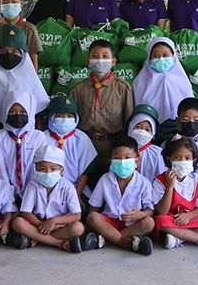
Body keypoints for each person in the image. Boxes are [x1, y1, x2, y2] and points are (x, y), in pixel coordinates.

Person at [70, 39, 134, 176]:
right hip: (85, 145)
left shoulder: (123, 88)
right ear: (88, 62)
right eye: (95, 56)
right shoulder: (79, 89)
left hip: (113, 146)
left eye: (105, 57)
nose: (100, 60)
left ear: (113, 62)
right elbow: (72, 120)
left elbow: (129, 121)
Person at [153, 137, 198, 251]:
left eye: (187, 158)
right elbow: (161, 212)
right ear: (169, 160)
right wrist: (169, 187)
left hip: (191, 220)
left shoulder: (197, 180)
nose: (182, 161)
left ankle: (180, 237)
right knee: (161, 221)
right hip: (172, 220)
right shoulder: (160, 180)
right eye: (177, 158)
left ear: (194, 160)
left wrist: (189, 216)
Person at [0, 24, 49, 135]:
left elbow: (39, 119)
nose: (9, 55)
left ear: (23, 55)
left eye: (15, 52)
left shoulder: (31, 81)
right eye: (3, 51)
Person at [86, 136, 156, 256]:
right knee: (92, 217)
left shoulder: (144, 182)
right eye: (117, 158)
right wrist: (90, 225)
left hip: (132, 224)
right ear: (111, 161)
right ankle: (126, 243)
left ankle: (106, 238)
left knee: (149, 222)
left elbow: (150, 210)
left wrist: (140, 214)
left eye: (127, 157)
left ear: (136, 161)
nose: (122, 162)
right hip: (109, 222)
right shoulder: (105, 179)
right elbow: (94, 207)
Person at [11, 145, 85, 253]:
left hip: (59, 226)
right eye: (42, 169)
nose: (47, 173)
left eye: (53, 169)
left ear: (61, 170)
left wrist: (53, 221)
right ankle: (58, 243)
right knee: (17, 222)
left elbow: (77, 215)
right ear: (35, 169)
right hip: (38, 224)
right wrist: (41, 225)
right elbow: (25, 212)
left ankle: (36, 238)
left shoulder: (68, 187)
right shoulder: (32, 185)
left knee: (78, 228)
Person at [133, 37, 193, 142]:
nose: (161, 59)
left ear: (173, 56)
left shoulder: (182, 80)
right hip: (149, 132)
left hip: (178, 130)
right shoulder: (140, 82)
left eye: (165, 55)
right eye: (156, 56)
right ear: (149, 58)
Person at [43, 95, 97, 205]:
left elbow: (85, 171)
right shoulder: (42, 138)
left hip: (76, 187)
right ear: (51, 117)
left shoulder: (82, 138)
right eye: (60, 116)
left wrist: (76, 194)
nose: (65, 119)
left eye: (69, 116)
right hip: (47, 187)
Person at [0, 91, 47, 200]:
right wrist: (7, 191)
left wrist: (30, 192)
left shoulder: (38, 137)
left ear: (30, 112)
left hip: (33, 189)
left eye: (23, 112)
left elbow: (37, 166)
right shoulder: (0, 136)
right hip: (6, 190)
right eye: (12, 112)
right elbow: (1, 166)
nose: (17, 115)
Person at [126, 104, 167, 181]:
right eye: (138, 127)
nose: (142, 132)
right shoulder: (121, 149)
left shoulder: (158, 154)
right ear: (130, 126)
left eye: (147, 130)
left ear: (153, 132)